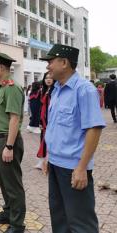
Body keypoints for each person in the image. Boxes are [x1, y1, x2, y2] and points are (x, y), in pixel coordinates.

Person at [40, 44, 105, 233]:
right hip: (56, 164)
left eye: (51, 61)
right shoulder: (58, 89)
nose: (48, 67)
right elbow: (56, 129)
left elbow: (94, 129)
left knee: (81, 224)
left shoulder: (84, 89)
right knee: (59, 219)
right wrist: (48, 157)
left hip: (73, 168)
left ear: (64, 62)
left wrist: (82, 167)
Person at [0, 49, 26, 233]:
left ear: (1, 67)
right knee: (3, 181)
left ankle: (17, 224)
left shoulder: (12, 88)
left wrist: (9, 146)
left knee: (13, 184)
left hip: (6, 141)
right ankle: (8, 212)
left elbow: (14, 119)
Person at [35, 72, 55, 170]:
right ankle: (42, 161)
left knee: (49, 140)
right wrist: (40, 121)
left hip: (51, 120)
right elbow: (41, 106)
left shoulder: (55, 90)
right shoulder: (44, 90)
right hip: (44, 120)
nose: (48, 79)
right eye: (46, 78)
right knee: (43, 139)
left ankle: (48, 162)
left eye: (50, 77)